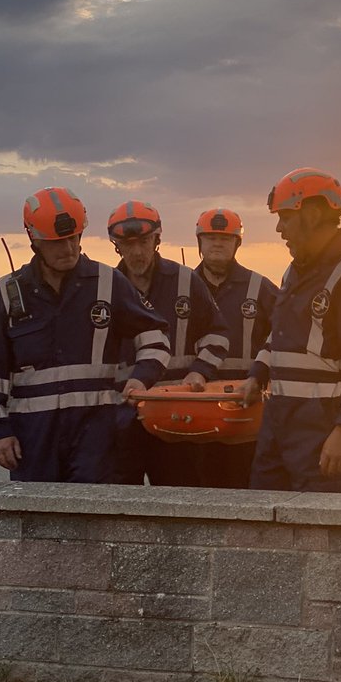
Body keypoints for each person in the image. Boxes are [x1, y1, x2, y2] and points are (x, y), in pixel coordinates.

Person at [0, 186, 171, 484]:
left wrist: (142, 376)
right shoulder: (9, 293)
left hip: (97, 438)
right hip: (34, 438)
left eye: (73, 238)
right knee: (37, 521)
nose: (68, 249)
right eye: (57, 242)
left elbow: (155, 336)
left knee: (93, 521)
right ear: (34, 240)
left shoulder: (108, 282)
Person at [239, 168, 341, 492]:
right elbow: (280, 336)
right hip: (279, 426)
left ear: (314, 213)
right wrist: (258, 373)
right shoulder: (295, 271)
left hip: (323, 433)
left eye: (286, 218)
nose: (279, 228)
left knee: (321, 534)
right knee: (263, 522)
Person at [108, 199, 231, 486]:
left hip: (177, 415)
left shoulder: (186, 281)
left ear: (157, 240)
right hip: (124, 415)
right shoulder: (107, 286)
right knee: (123, 500)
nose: (137, 252)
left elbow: (218, 334)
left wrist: (200, 370)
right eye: (128, 245)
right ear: (117, 246)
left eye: (145, 242)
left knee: (181, 492)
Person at [192, 207, 279, 488]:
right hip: (199, 408)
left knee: (243, 485)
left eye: (226, 238)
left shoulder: (260, 288)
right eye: (211, 237)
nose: (218, 243)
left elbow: (285, 332)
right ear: (200, 243)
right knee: (200, 486)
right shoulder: (184, 286)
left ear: (237, 244)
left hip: (245, 409)